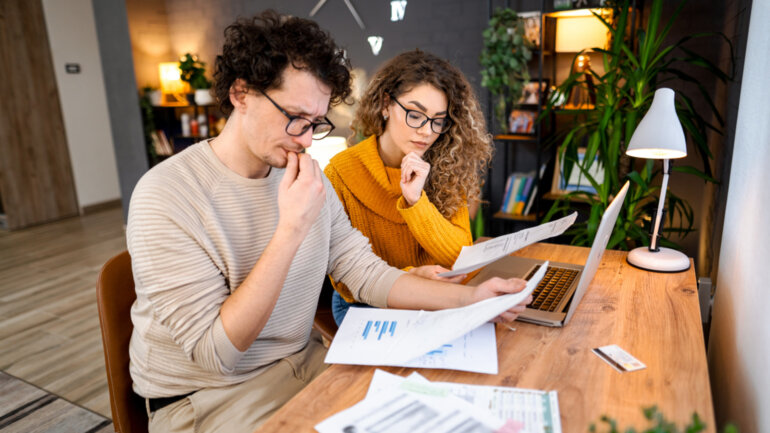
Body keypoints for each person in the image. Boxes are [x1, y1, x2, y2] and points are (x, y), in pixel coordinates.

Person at [126, 11, 530, 433]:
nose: (305, 139)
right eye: (294, 117)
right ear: (241, 93)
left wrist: (474, 299)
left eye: (315, 123)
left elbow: (365, 272)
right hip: (210, 399)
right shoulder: (166, 194)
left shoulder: (305, 177)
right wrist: (291, 230)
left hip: (305, 364)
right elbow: (218, 355)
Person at [325, 49, 494, 325]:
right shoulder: (341, 172)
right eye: (415, 115)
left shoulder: (448, 166)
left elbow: (460, 256)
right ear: (385, 105)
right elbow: (344, 277)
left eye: (438, 120)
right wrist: (410, 277)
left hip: (438, 296)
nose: (427, 131)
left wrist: (416, 203)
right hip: (365, 304)